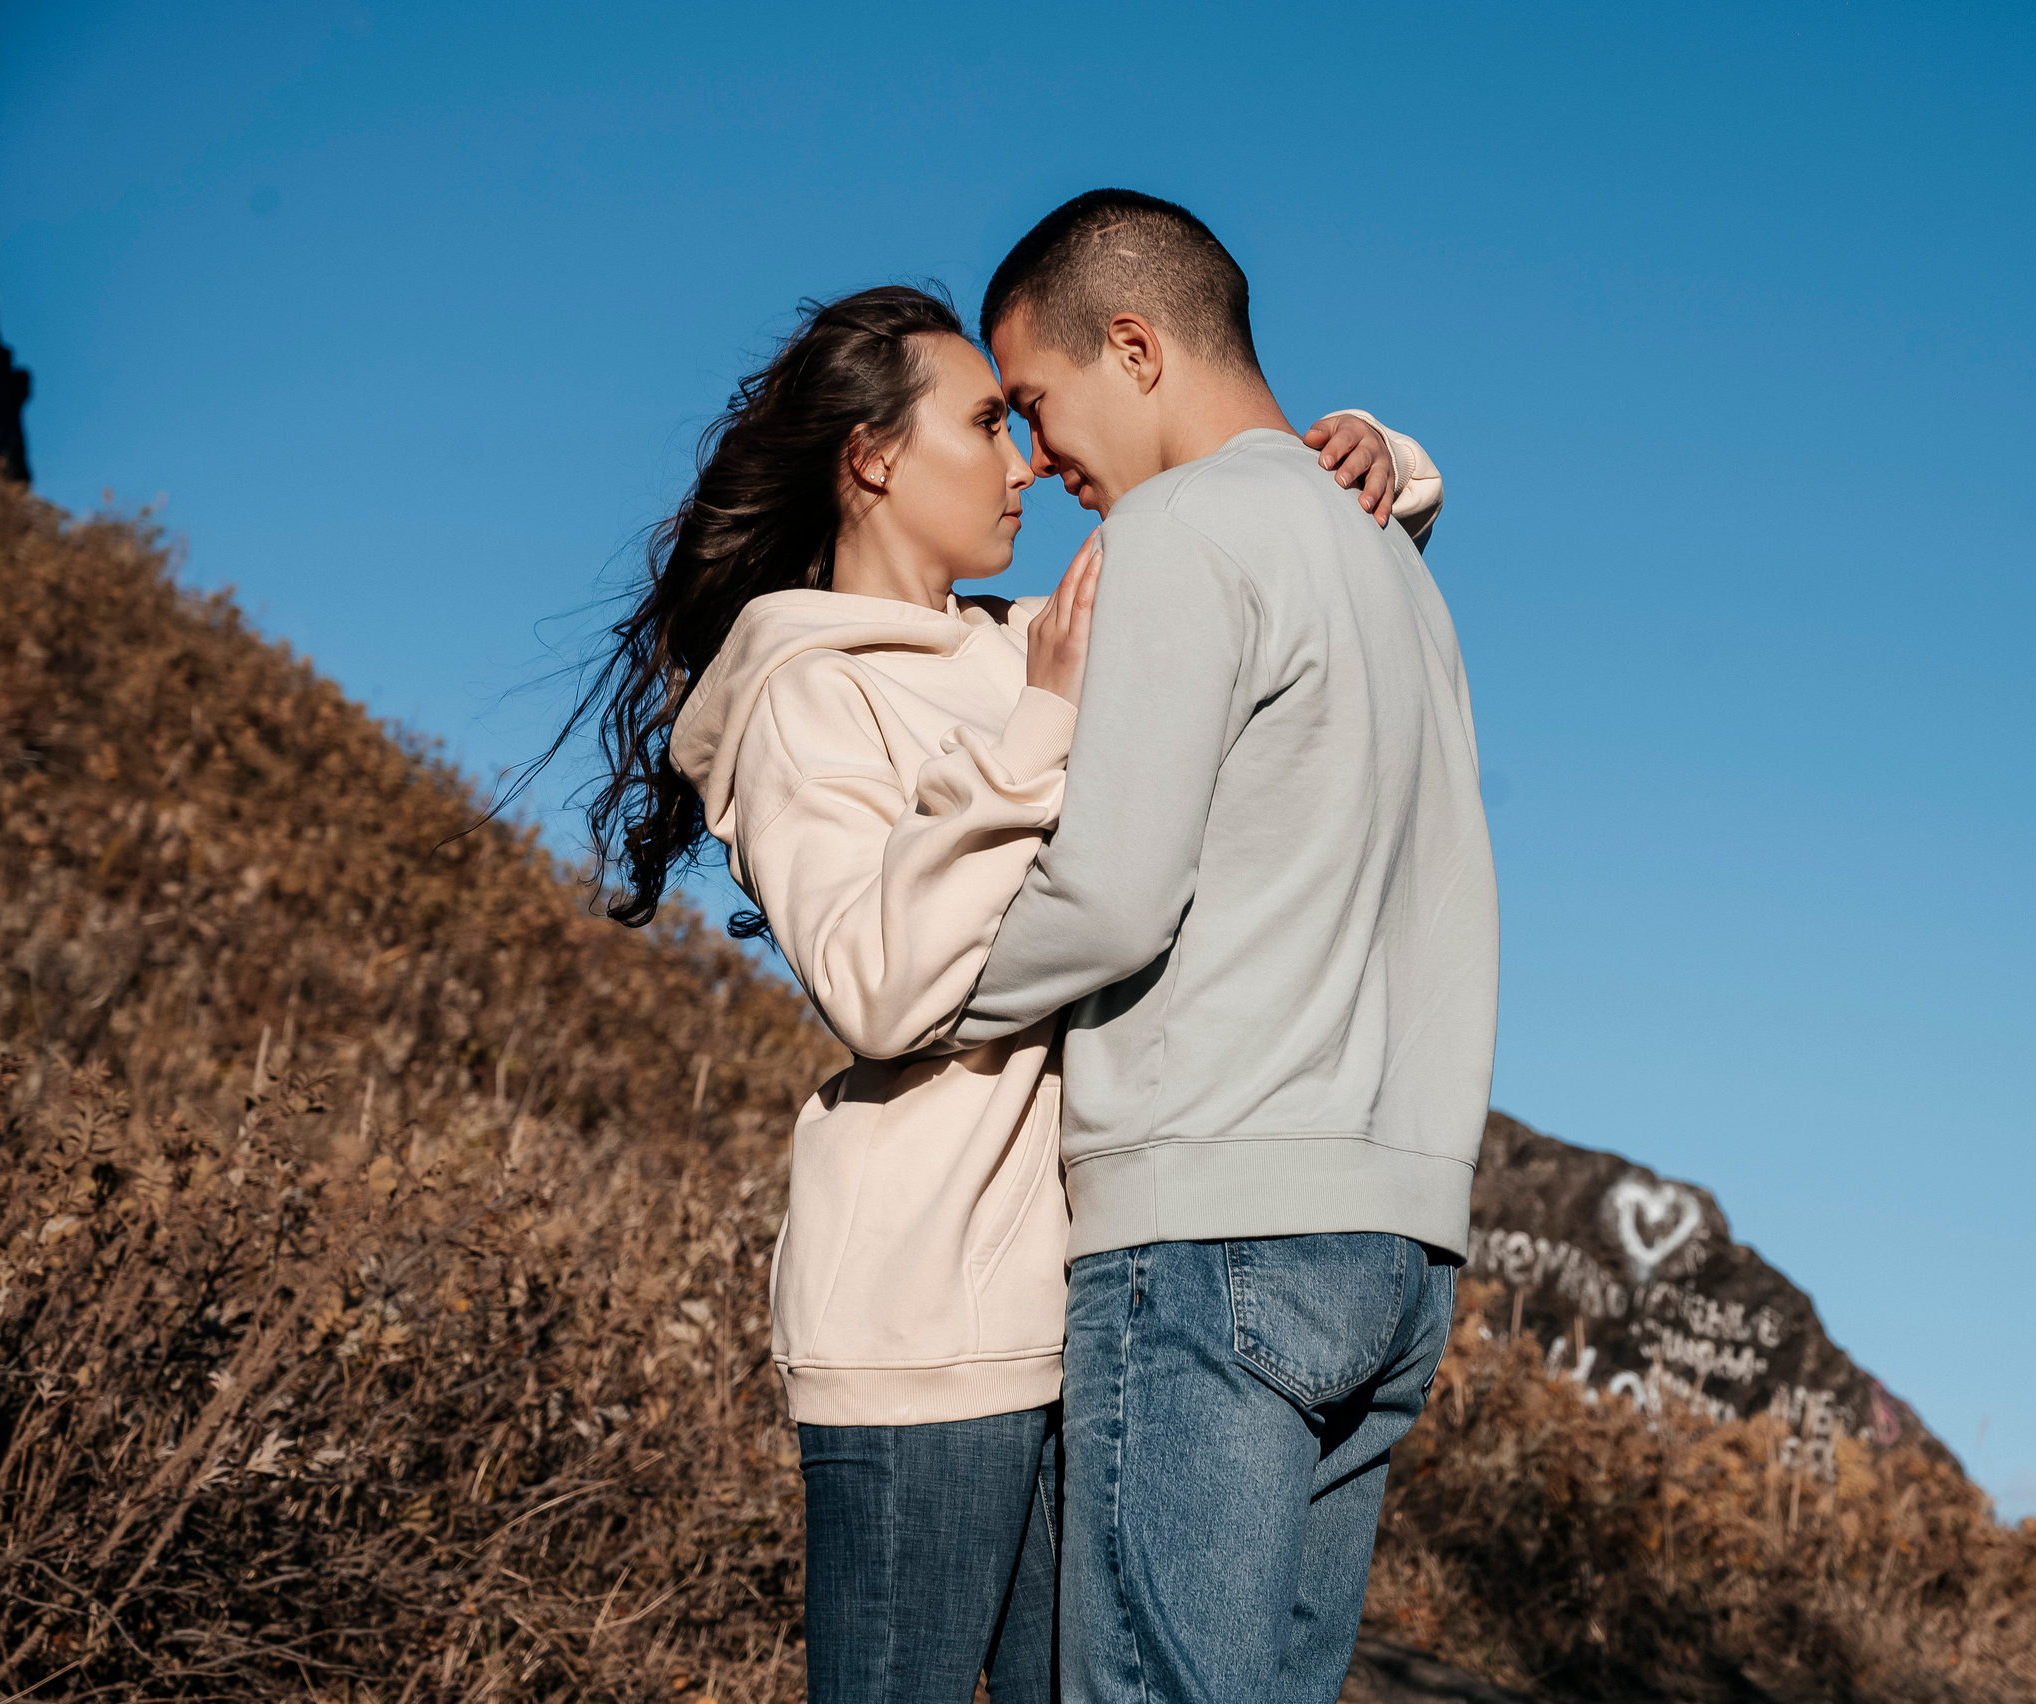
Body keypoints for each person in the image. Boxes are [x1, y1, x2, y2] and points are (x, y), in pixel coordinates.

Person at [561, 282, 1443, 1704]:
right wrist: (1039, 724)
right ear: (873, 457)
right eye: (986, 422)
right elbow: (878, 983)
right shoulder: (801, 692)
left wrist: (1370, 457)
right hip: (924, 1319)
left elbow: (1260, 577)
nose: (1026, 459)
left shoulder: (1020, 635)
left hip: (1087, 1301)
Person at [950, 192, 1499, 1704]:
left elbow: (1114, 898)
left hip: (1211, 1231)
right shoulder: (1391, 561)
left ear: (1134, 346)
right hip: (1398, 1249)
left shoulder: (1179, 532)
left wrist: (923, 996)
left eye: (1041, 407)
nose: (1043, 462)